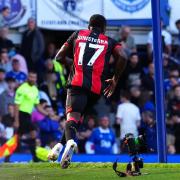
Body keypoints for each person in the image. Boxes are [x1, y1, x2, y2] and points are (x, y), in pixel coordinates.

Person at [48, 14, 127, 168]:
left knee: (71, 118)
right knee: (76, 120)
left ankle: (70, 142)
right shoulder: (109, 41)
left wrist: (70, 63)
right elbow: (123, 56)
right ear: (104, 28)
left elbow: (58, 57)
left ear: (89, 26)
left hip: (77, 84)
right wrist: (115, 79)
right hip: (96, 90)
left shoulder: (78, 34)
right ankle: (58, 148)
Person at [14, 70, 48, 161]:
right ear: (28, 77)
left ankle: (8, 157)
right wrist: (16, 120)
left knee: (17, 137)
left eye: (34, 77)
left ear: (36, 78)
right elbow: (16, 105)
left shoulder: (35, 90)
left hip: (28, 115)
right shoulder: (21, 89)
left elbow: (37, 106)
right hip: (21, 114)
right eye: (31, 77)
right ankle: (35, 158)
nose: (32, 79)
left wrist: (47, 114)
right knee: (33, 132)